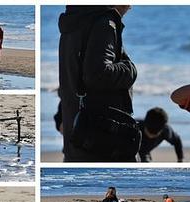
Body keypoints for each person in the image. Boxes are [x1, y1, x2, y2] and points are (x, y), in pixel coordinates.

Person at [58, 5, 137, 161]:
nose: (131, 5)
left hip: (79, 132)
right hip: (102, 136)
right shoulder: (103, 22)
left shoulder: (77, 19)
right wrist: (130, 69)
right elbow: (98, 74)